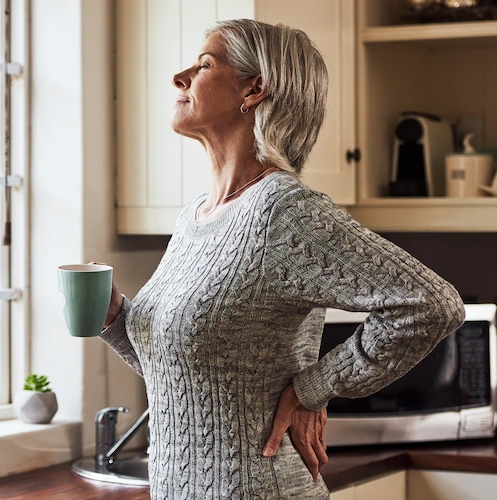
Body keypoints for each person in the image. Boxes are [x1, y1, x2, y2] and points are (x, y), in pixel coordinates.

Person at [98, 18, 466, 500]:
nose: (180, 77)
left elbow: (432, 303)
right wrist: (115, 322)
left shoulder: (283, 212)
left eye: (204, 65)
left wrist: (315, 387)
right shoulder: (195, 218)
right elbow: (188, 378)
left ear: (254, 90)